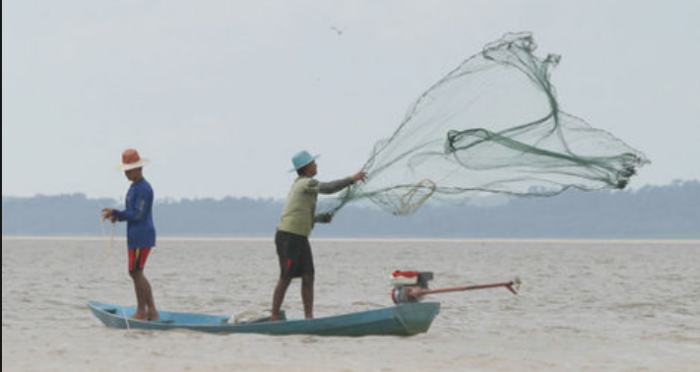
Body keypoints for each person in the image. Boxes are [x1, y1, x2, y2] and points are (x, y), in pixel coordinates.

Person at [271, 150, 367, 321]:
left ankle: (309, 318)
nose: (316, 165)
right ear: (307, 167)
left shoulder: (305, 185)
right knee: (286, 276)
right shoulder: (306, 184)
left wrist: (321, 218)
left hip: (300, 238)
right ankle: (274, 316)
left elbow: (302, 214)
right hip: (288, 237)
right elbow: (329, 188)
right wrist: (352, 179)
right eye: (313, 163)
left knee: (308, 276)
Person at [101, 149, 159, 321]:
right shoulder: (134, 187)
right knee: (135, 272)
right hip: (135, 236)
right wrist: (117, 217)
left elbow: (138, 214)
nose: (126, 173)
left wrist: (117, 213)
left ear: (138, 169)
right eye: (125, 170)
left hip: (142, 236)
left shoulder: (144, 189)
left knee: (136, 272)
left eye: (129, 169)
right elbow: (131, 213)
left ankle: (144, 311)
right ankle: (150, 311)